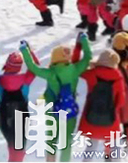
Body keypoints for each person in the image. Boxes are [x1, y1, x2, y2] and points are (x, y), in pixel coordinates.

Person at [20, 33, 92, 162]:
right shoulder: (75, 69)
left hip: (52, 111)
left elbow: (32, 67)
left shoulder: (50, 73)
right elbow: (87, 58)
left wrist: (24, 49)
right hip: (69, 111)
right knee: (66, 143)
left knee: (51, 141)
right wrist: (84, 40)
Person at [78, 49, 126, 156]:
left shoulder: (92, 74)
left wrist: (80, 50)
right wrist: (114, 111)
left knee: (90, 148)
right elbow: (121, 101)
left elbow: (78, 70)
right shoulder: (118, 76)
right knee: (115, 148)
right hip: (110, 119)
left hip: (92, 116)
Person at [0, 51, 38, 162]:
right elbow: (35, 66)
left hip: (5, 118)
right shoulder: (25, 80)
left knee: (12, 148)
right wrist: (28, 51)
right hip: (21, 119)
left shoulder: (0, 80)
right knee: (19, 152)